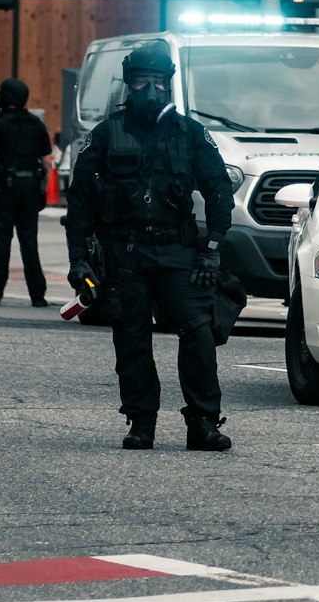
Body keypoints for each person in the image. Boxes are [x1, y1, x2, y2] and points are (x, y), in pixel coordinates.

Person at [64, 39, 234, 453]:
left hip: (179, 252)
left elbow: (218, 190)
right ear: (129, 85)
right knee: (132, 337)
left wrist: (212, 246)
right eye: (142, 82)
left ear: (170, 84)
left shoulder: (191, 134)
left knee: (197, 332)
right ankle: (141, 423)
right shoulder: (105, 135)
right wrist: (79, 261)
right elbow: (80, 201)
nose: (151, 90)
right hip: (125, 254)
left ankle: (203, 423)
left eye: (159, 81)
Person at [0, 78, 52, 308]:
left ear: (5, 97)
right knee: (29, 243)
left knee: (2, 244)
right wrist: (43, 190)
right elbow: (47, 162)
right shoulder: (37, 124)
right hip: (30, 189)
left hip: (5, 190)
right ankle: (38, 295)